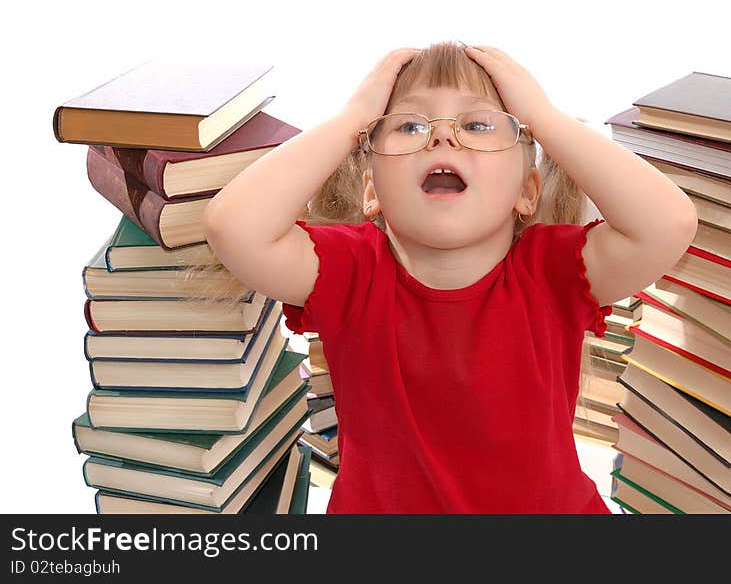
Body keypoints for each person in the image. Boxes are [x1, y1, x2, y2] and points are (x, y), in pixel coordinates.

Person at [196, 40, 698, 513]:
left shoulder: (552, 272)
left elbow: (668, 224)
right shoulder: (352, 272)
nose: (441, 134)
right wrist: (352, 118)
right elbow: (233, 225)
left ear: (527, 191)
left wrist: (542, 117)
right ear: (372, 192)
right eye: (409, 126)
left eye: (478, 126)